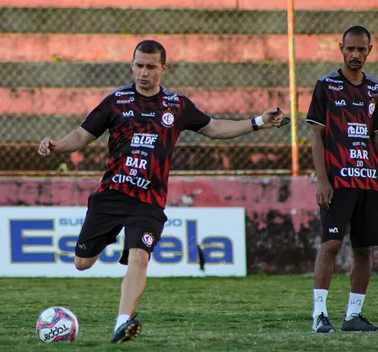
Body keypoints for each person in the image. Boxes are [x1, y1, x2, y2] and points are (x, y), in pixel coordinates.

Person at [38, 40, 287, 343]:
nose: (143, 73)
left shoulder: (176, 105)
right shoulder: (116, 102)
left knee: (139, 257)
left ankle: (122, 323)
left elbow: (215, 128)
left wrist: (258, 122)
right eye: (138, 65)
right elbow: (82, 135)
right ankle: (110, 245)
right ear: (132, 65)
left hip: (149, 200)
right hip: (112, 195)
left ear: (163, 68)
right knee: (82, 263)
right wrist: (56, 145)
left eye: (150, 67)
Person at [306, 25, 378, 333]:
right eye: (350, 49)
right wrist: (323, 180)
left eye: (361, 50)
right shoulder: (327, 86)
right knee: (331, 244)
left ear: (369, 51)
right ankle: (319, 315)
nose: (355, 55)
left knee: (364, 250)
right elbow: (316, 136)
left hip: (369, 181)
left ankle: (353, 315)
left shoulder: (375, 89)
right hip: (338, 180)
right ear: (341, 48)